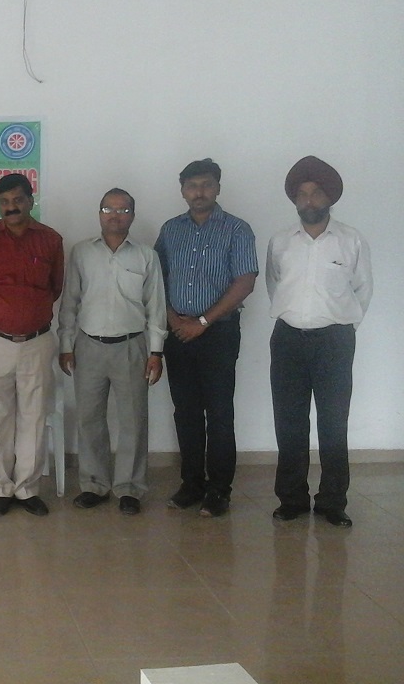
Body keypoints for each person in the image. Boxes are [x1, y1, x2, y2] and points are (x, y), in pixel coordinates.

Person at [267, 157, 372, 528]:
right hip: (288, 340)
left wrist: (341, 327)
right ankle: (292, 499)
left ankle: (332, 502)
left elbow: (362, 289)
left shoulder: (351, 240)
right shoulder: (281, 242)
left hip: (334, 341)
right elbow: (274, 285)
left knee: (333, 423)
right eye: (302, 194)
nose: (309, 200)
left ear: (329, 198)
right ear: (295, 200)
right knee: (289, 422)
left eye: (315, 193)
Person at [155, 158, 258, 518]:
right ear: (183, 190)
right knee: (185, 412)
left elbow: (245, 282)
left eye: (206, 184)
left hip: (219, 333)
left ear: (217, 188)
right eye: (192, 186)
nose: (199, 192)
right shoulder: (170, 230)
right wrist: (173, 319)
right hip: (177, 333)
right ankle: (191, 484)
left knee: (219, 413)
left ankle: (219, 490)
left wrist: (202, 321)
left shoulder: (237, 229)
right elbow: (156, 278)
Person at [59, 188, 166, 515]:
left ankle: (130, 488)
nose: (115, 215)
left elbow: (156, 307)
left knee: (133, 420)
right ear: (99, 213)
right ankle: (94, 484)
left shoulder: (146, 256)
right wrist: (65, 345)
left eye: (122, 210)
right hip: (88, 346)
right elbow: (69, 302)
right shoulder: (81, 252)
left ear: (132, 215)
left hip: (132, 347)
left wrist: (156, 352)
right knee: (89, 419)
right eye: (108, 209)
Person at [0, 172, 64, 517]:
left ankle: (27, 488)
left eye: (18, 200)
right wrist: (3, 315)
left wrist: (27, 314)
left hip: (38, 342)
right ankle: (0, 489)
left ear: (30, 200)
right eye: (5, 202)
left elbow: (55, 287)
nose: (12, 207)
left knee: (34, 417)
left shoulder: (50, 240)